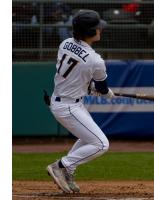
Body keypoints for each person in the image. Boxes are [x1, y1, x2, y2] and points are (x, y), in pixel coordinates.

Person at [45, 10, 115, 193]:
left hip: (66, 101)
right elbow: (101, 87)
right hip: (67, 106)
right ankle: (61, 165)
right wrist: (106, 93)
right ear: (91, 32)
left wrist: (92, 88)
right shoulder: (95, 60)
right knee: (101, 144)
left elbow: (76, 77)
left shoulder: (65, 43)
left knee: (88, 138)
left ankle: (68, 169)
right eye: (97, 27)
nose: (100, 29)